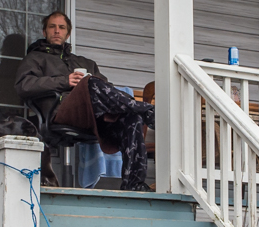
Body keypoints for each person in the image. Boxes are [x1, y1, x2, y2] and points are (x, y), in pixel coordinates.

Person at [14, 12, 155, 191]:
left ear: (68, 33)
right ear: (44, 31)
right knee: (91, 81)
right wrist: (65, 81)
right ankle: (145, 110)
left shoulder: (84, 62)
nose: (57, 31)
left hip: (94, 116)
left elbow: (107, 88)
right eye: (52, 27)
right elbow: (23, 85)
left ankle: (134, 184)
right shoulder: (34, 59)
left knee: (132, 119)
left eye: (62, 27)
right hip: (62, 112)